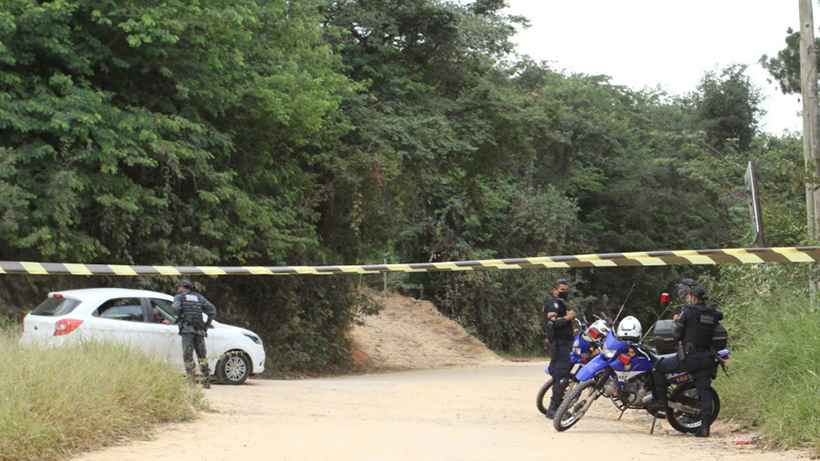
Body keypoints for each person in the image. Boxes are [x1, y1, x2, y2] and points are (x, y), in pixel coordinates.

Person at [650, 279, 723, 437]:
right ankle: (704, 428)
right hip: (708, 360)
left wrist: (678, 321)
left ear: (693, 297)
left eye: (689, 295)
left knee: (657, 366)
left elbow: (677, 335)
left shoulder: (688, 312)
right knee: (704, 392)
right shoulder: (713, 313)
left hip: (689, 359)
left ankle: (662, 402)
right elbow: (718, 319)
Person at [173, 279, 217, 388]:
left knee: (188, 356)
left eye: (178, 287)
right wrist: (206, 326)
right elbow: (212, 310)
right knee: (202, 356)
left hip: (187, 331)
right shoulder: (199, 297)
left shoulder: (179, 297)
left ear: (183, 287)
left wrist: (179, 316)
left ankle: (191, 383)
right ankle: (206, 381)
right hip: (200, 331)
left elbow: (175, 308)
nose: (178, 289)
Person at [544, 278, 575, 419]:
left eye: (566, 290)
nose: (564, 293)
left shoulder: (562, 303)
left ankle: (556, 407)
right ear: (554, 290)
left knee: (562, 376)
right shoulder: (553, 303)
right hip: (559, 344)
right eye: (562, 290)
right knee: (561, 376)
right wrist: (568, 319)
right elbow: (552, 324)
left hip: (565, 344)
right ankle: (554, 409)